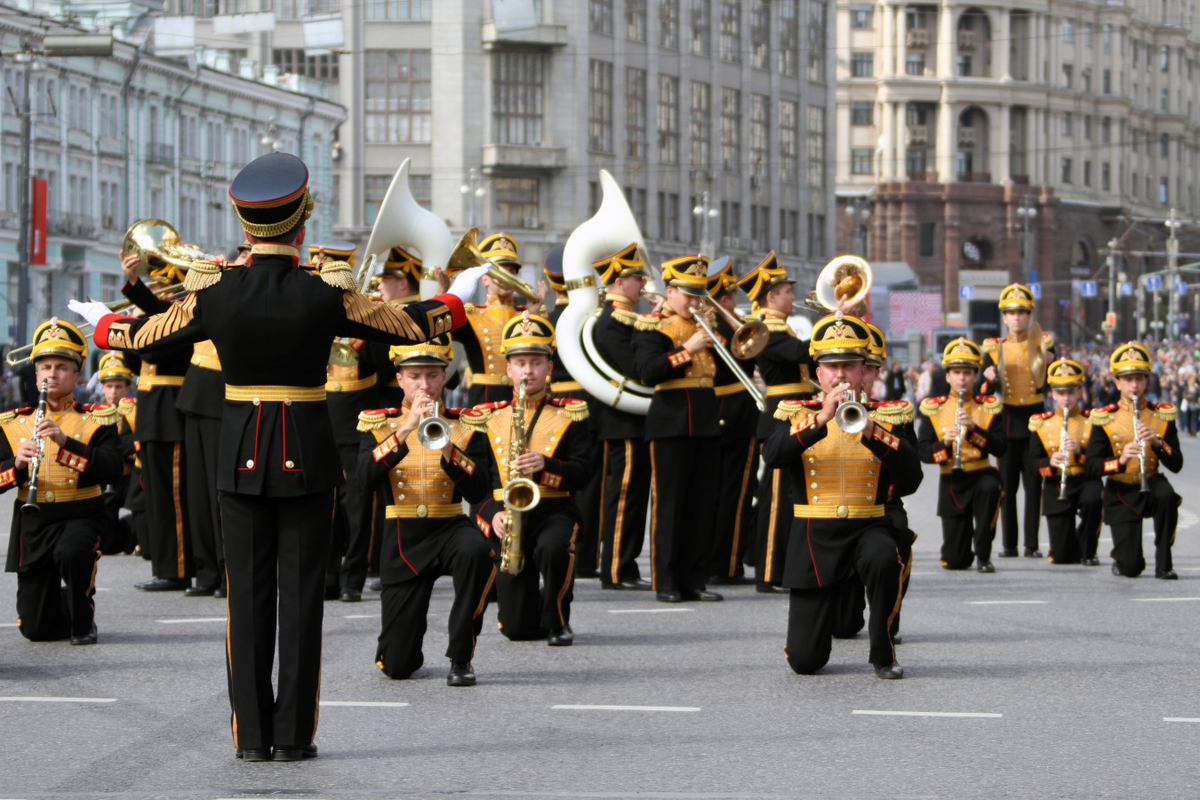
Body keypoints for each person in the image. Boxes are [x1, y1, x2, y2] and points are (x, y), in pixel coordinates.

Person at [70, 151, 487, 762]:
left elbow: (144, 336)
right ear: (301, 225)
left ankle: (251, 738)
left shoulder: (214, 289)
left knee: (246, 602)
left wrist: (103, 322)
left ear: (244, 226)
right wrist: (455, 300)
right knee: (299, 601)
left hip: (238, 452)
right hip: (307, 453)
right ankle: (293, 738)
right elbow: (404, 324)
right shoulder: (326, 290)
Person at [762, 313, 919, 679]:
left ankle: (883, 654)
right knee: (805, 661)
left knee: (883, 556)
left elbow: (911, 478)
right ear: (818, 374)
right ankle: (837, 605)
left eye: (849, 365)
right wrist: (820, 421)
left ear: (864, 370)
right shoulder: (795, 413)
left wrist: (871, 432)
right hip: (815, 535)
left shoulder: (890, 417)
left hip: (869, 526)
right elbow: (772, 456)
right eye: (831, 367)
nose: (840, 375)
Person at [357, 336, 495, 686]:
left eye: (432, 375)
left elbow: (479, 488)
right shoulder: (377, 423)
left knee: (477, 550)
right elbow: (363, 480)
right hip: (403, 534)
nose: (424, 385)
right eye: (415, 376)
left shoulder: (467, 423)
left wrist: (447, 444)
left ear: (444, 376)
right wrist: (404, 430)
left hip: (449, 525)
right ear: (400, 379)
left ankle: (461, 655)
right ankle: (403, 648)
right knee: (397, 666)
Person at [464, 313, 590, 645]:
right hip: (507, 514)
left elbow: (584, 472)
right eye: (520, 363)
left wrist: (546, 466)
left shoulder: (570, 412)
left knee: (552, 548)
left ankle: (559, 618)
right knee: (517, 630)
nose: (528, 371)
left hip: (554, 510)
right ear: (508, 369)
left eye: (536, 362)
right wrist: (493, 515)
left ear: (549, 368)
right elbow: (475, 483)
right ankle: (534, 604)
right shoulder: (487, 417)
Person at [1, 318, 123, 645]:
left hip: (81, 512)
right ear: (36, 373)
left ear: (76, 374)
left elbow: (114, 469)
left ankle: (83, 613)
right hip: (34, 520)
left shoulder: (97, 419)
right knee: (36, 630)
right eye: (45, 367)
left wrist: (66, 442)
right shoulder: (12, 423)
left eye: (61, 367)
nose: (52, 374)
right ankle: (65, 604)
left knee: (73, 551)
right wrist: (17, 464)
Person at [632, 255, 723, 603]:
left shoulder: (705, 326)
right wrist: (687, 349)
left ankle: (693, 580)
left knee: (701, 504)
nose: (695, 302)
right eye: (689, 295)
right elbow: (648, 370)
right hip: (669, 422)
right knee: (670, 505)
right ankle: (666, 581)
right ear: (670, 291)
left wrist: (723, 344)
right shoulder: (651, 325)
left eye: (699, 296)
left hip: (705, 421)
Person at [117, 258, 197, 593]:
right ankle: (165, 566)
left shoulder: (184, 321)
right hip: (151, 412)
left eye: (166, 287)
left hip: (170, 412)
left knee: (175, 497)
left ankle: (177, 569)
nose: (160, 294)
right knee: (158, 498)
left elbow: (151, 345)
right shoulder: (158, 319)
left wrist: (136, 317)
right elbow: (135, 359)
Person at [737, 253, 813, 594]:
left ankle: (778, 567)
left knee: (786, 496)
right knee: (777, 499)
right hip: (782, 414)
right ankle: (768, 570)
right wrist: (837, 322)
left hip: (794, 411)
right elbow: (803, 353)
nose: (793, 298)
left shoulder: (776, 328)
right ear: (770, 297)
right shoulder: (765, 330)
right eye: (786, 292)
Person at [1085, 342, 1184, 579]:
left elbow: (1177, 464)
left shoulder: (1161, 415)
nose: (1134, 385)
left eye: (1139, 378)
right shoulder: (1104, 418)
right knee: (1131, 568)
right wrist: (1120, 460)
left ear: (1146, 380)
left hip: (1151, 480)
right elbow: (1091, 467)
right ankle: (1122, 554)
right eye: (1128, 379)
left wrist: (1159, 444)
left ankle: (1164, 563)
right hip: (1121, 488)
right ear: (1117, 382)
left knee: (1167, 495)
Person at [588, 243, 654, 591]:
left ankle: (625, 565)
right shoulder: (614, 322)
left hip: (633, 418)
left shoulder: (627, 319)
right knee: (625, 493)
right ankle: (615, 568)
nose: (642, 282)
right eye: (635, 277)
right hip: (622, 418)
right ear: (619, 281)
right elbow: (634, 369)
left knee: (635, 494)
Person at [917, 338, 1007, 572]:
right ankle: (962, 550)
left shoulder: (988, 406)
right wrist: (945, 444)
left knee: (990, 488)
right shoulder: (933, 409)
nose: (962, 378)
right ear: (947, 376)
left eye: (967, 373)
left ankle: (984, 554)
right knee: (955, 561)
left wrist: (974, 431)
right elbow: (924, 452)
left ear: (976, 376)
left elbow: (1001, 447)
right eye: (956, 372)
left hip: (981, 473)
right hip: (952, 478)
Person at [980, 284, 1055, 558]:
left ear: (1029, 315)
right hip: (1008, 419)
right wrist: (987, 380)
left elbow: (1059, 385)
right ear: (1004, 317)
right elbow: (983, 394)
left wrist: (1052, 366)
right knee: (1007, 487)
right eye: (1011, 312)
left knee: (1034, 486)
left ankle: (1032, 545)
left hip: (1036, 419)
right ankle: (1009, 544)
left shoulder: (1045, 344)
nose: (1017, 318)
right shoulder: (993, 348)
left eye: (1022, 312)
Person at [542, 245, 603, 580]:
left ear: (552, 285)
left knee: (558, 479)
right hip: (586, 403)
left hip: (552, 406)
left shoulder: (543, 320)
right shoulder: (588, 320)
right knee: (587, 482)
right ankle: (585, 557)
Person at [707, 259, 759, 586]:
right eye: (731, 297)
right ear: (723, 298)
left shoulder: (709, 325)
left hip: (715, 413)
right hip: (738, 415)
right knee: (736, 493)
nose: (735, 303)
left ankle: (711, 561)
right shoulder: (728, 328)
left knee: (713, 492)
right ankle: (727, 564)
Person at [1028, 359, 1103, 565]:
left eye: (1071, 392)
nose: (1066, 398)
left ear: (1079, 392)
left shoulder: (1093, 421)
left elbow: (1100, 461)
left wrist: (1079, 452)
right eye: (1061, 393)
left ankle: (1089, 550)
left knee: (1093, 499)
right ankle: (1070, 544)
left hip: (1084, 478)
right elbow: (1032, 464)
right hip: (1056, 482)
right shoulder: (1041, 423)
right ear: (1052, 394)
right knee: (1062, 556)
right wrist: (1050, 461)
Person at [456, 233, 545, 407]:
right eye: (500, 270)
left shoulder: (527, 315)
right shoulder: (471, 315)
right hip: (484, 399)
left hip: (521, 397)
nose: (508, 277)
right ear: (484, 278)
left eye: (512, 271)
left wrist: (534, 315)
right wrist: (444, 295)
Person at [95, 353, 138, 556]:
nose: (113, 392)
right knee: (108, 545)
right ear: (102, 387)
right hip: (108, 478)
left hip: (131, 476)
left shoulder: (134, 411)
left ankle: (137, 532)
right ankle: (125, 536)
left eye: (119, 386)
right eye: (109, 386)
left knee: (143, 514)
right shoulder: (94, 414)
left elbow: (138, 439)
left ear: (128, 387)